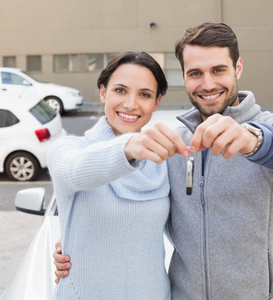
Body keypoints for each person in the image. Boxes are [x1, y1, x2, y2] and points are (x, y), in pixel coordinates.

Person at [55, 22, 273, 299]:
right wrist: (77, 240)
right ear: (184, 78)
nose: (208, 84)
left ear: (238, 68)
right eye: (195, 73)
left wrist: (253, 139)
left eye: (218, 70)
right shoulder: (174, 148)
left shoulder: (270, 127)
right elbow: (116, 202)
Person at [47, 50, 190, 299]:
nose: (131, 104)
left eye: (144, 95)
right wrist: (128, 148)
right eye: (120, 90)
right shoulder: (69, 149)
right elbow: (73, 170)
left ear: (156, 102)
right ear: (103, 92)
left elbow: (195, 223)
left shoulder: (165, 163)